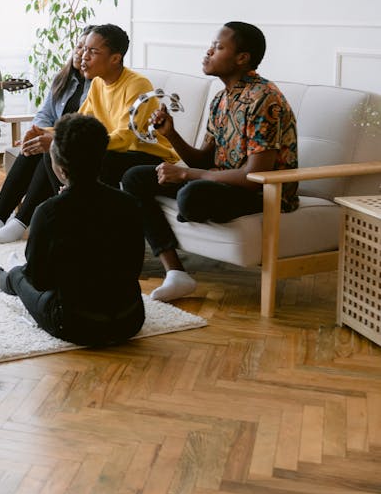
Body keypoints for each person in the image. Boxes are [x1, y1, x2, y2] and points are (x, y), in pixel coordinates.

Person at [122, 22, 299, 302]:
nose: (208, 52)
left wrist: (184, 175)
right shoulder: (221, 99)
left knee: (191, 195)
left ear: (242, 58)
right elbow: (204, 159)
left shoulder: (265, 99)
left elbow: (254, 176)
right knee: (135, 177)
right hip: (223, 183)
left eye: (218, 47)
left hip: (265, 192)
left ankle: (187, 203)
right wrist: (171, 134)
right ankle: (176, 273)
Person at [0, 114, 146, 347]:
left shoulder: (48, 211)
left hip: (76, 323)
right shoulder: (129, 203)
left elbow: (39, 281)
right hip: (130, 320)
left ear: (59, 169)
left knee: (21, 276)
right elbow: (133, 269)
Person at [33, 24, 180, 194]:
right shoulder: (98, 83)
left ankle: (81, 207)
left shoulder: (137, 85)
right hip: (118, 152)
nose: (84, 57)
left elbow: (125, 139)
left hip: (150, 155)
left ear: (115, 59)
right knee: (53, 151)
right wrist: (45, 133)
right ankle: (71, 207)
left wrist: (76, 145)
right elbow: (77, 123)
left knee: (101, 160)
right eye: (84, 49)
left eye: (93, 52)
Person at [0, 26, 94, 244]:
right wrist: (36, 131)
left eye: (88, 49)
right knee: (31, 147)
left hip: (76, 144)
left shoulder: (97, 85)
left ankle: (20, 222)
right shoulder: (63, 80)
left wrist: (48, 137)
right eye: (79, 46)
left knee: (47, 150)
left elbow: (85, 124)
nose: (81, 53)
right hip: (57, 138)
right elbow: (44, 113)